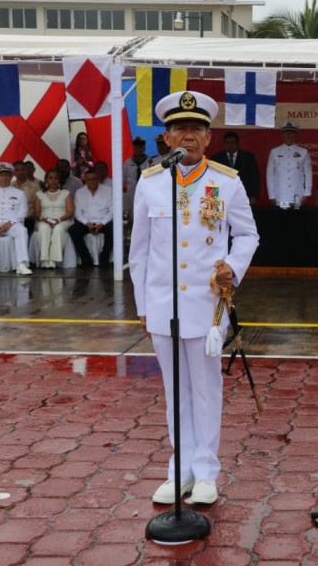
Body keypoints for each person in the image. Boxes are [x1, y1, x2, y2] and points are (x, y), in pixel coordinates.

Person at [129, 90, 259, 506]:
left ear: (208, 137)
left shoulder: (227, 183)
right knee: (174, 392)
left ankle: (205, 472)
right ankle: (179, 469)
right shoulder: (150, 184)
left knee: (205, 390)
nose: (188, 135)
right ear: (166, 138)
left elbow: (248, 235)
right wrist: (144, 309)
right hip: (163, 305)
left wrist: (233, 267)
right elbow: (140, 252)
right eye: (179, 128)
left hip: (206, 307)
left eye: (196, 129)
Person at [0, 162, 33, 275]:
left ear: (11, 176)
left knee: (22, 230)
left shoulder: (19, 193)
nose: (4, 177)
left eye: (7, 175)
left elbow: (23, 211)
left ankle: (21, 264)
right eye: (1, 175)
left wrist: (11, 223)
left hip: (11, 225)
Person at [68, 168, 112, 267]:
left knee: (114, 230)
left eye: (94, 179)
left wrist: (102, 223)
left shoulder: (108, 190)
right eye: (89, 179)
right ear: (85, 181)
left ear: (98, 179)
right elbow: (77, 212)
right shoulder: (80, 192)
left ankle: (104, 258)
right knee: (73, 230)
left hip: (103, 221)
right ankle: (86, 258)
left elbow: (112, 211)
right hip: (86, 222)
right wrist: (87, 223)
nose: (92, 181)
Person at [266, 122, 312, 209]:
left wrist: (307, 193)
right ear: (282, 135)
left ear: (295, 135)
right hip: (281, 194)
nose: (289, 136)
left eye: (291, 133)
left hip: (297, 194)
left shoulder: (303, 152)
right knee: (283, 219)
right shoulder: (275, 152)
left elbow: (308, 174)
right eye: (286, 133)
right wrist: (271, 195)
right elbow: (270, 175)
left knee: (296, 217)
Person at [34, 169, 74, 268]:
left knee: (58, 229)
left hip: (63, 220)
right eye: (50, 178)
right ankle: (45, 259)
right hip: (44, 220)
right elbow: (36, 213)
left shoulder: (66, 193)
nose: (53, 180)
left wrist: (58, 220)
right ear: (46, 180)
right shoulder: (39, 194)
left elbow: (70, 211)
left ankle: (53, 259)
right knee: (43, 229)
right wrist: (45, 219)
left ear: (60, 180)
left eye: (56, 178)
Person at [211, 131, 260, 205]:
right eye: (227, 142)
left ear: (237, 144)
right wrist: (213, 197)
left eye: (232, 142)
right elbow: (212, 179)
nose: (230, 145)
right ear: (224, 144)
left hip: (244, 195)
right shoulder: (216, 159)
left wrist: (253, 197)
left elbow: (254, 178)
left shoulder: (248, 157)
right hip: (223, 196)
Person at [12, 160, 40, 235]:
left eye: (22, 169)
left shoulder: (35, 187)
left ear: (26, 171)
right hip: (11, 220)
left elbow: (38, 207)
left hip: (28, 219)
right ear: (13, 173)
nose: (20, 172)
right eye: (17, 170)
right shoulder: (10, 186)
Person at [123, 136, 149, 216]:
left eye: (140, 146)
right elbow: (123, 179)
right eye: (136, 146)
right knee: (132, 214)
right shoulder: (128, 162)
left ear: (144, 148)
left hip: (146, 192)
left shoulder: (150, 161)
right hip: (132, 193)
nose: (138, 149)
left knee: (145, 213)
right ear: (133, 148)